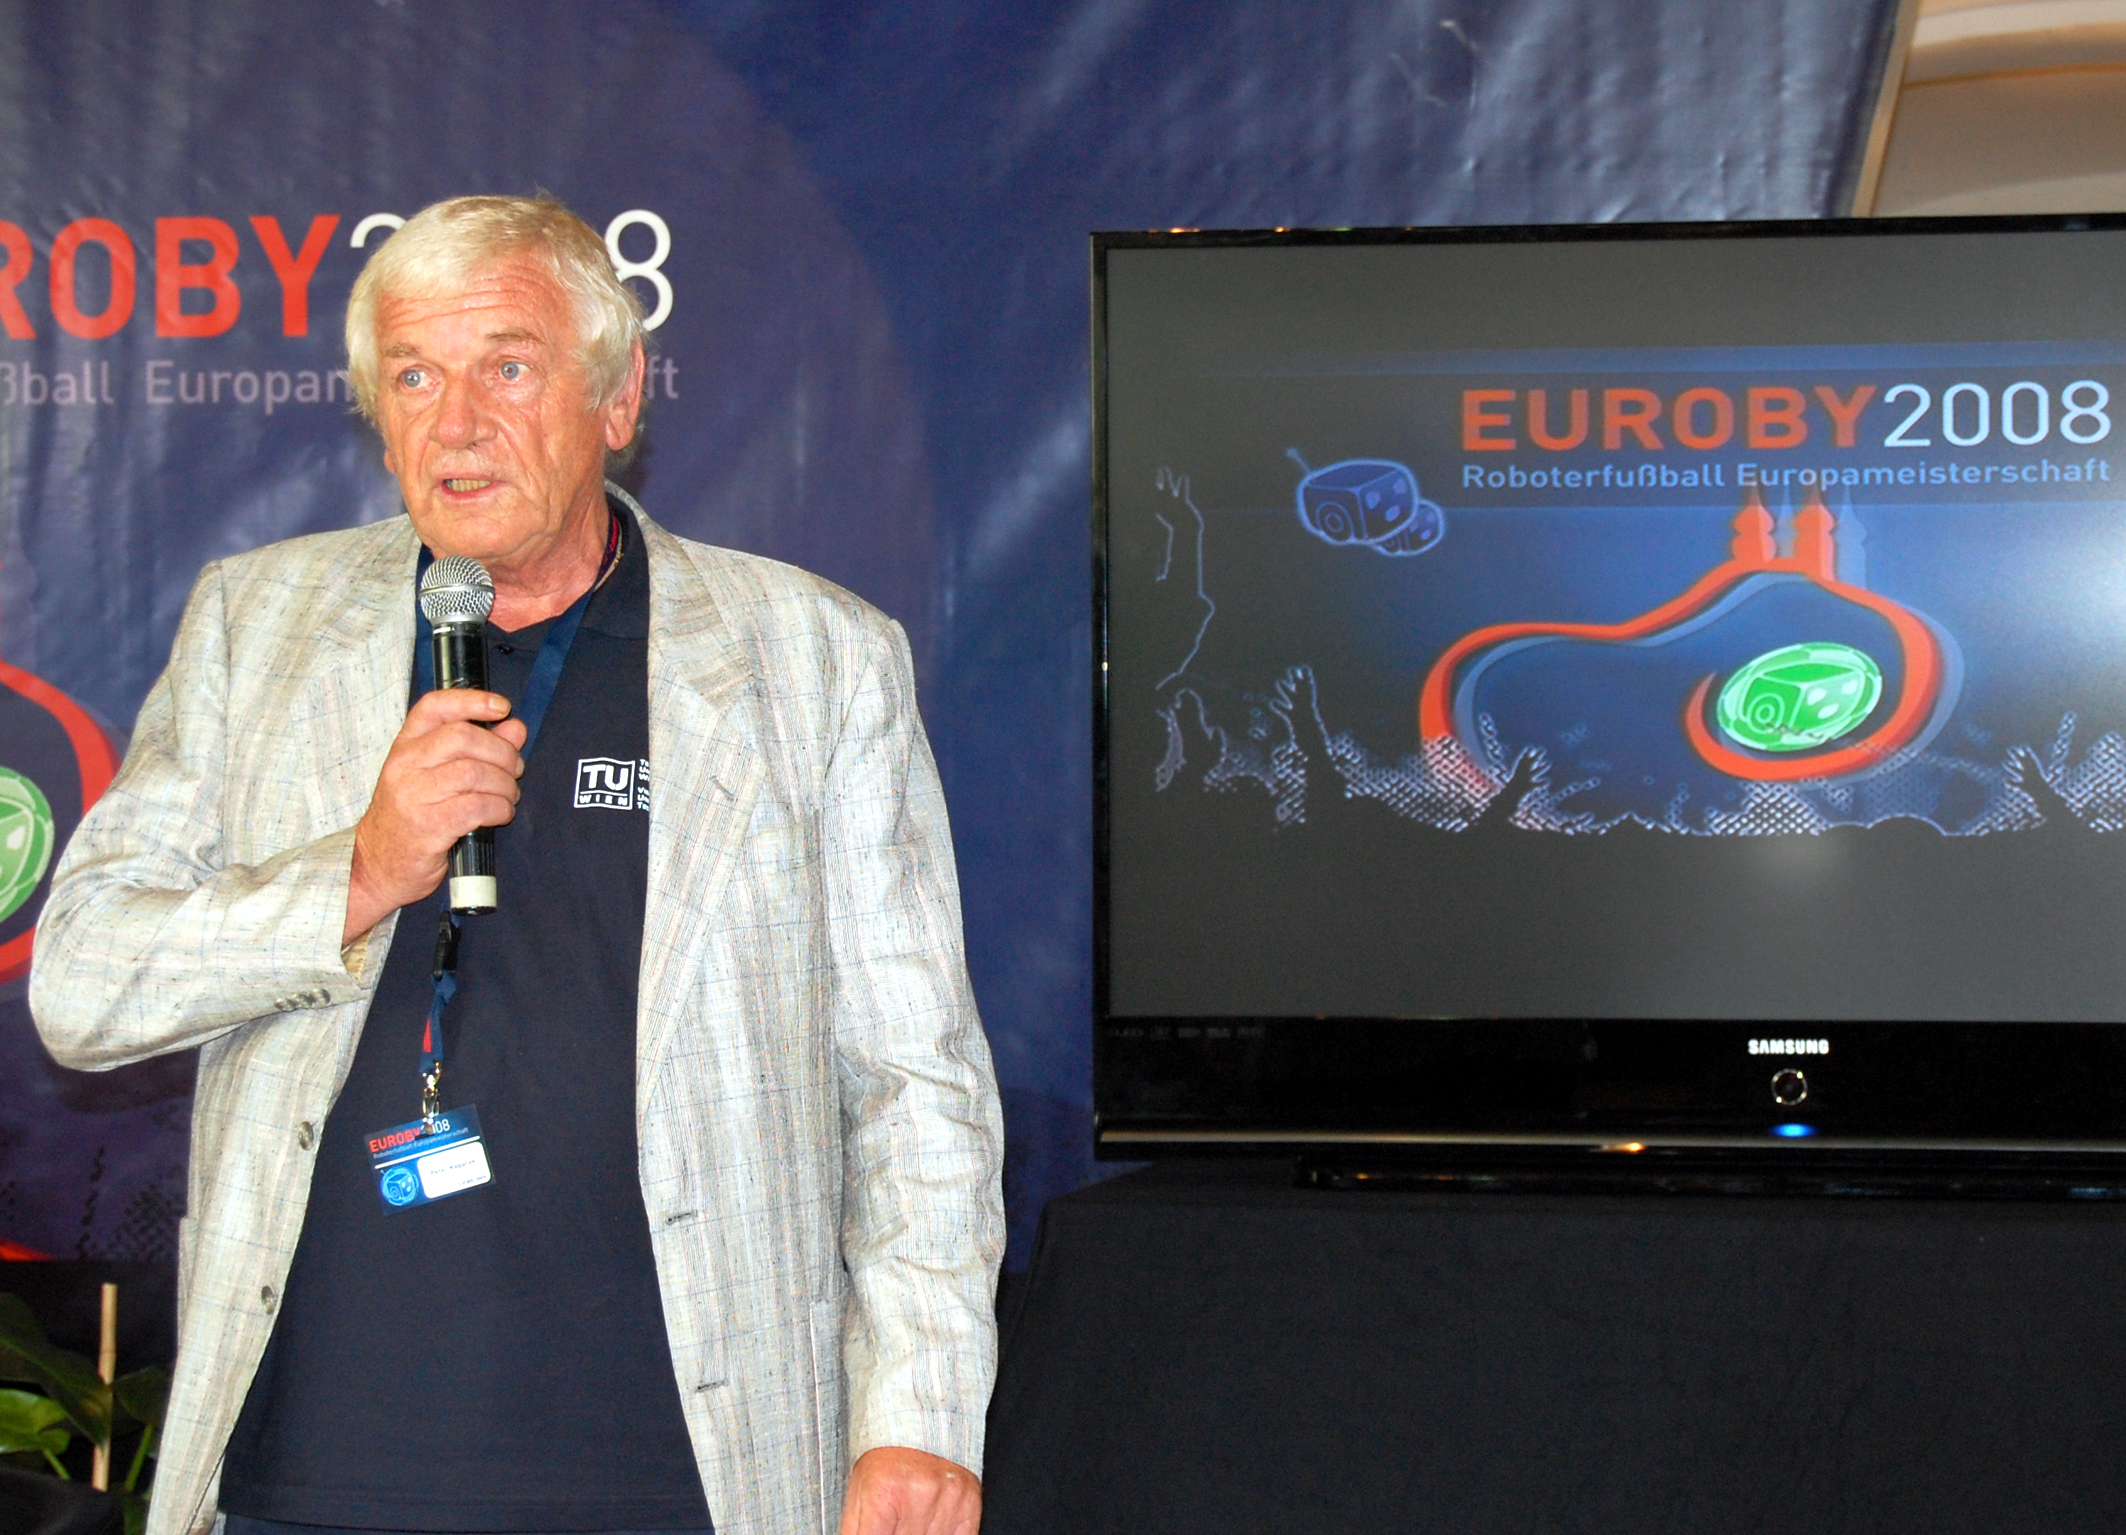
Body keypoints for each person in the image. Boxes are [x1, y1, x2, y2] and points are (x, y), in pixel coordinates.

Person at [30, 195, 1003, 1535]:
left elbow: (914, 1082)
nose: (456, 423)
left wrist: (919, 1415)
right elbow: (82, 986)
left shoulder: (812, 658)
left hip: (685, 1472)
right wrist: (359, 871)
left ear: (617, 398)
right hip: (316, 1467)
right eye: (413, 378)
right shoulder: (258, 624)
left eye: (507, 367)